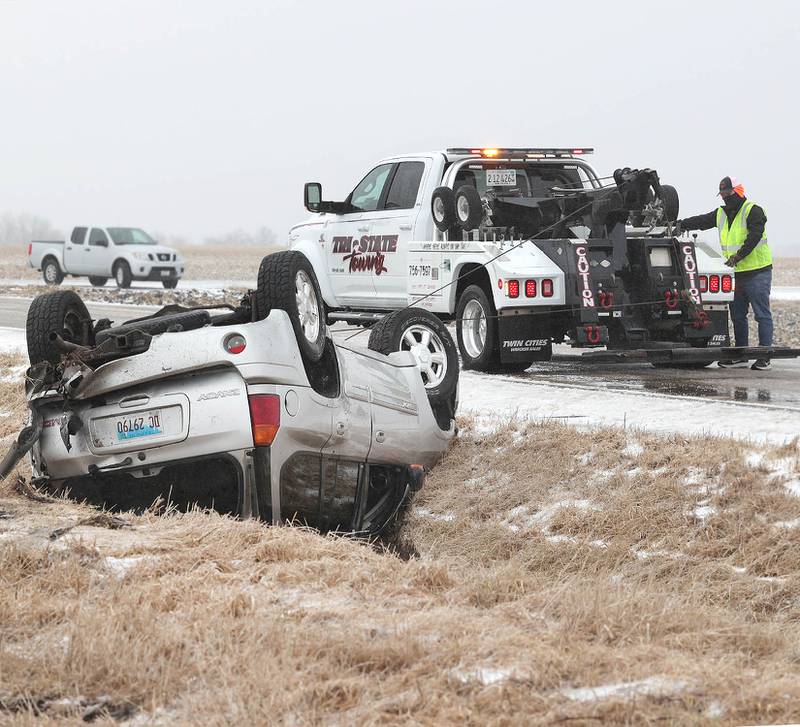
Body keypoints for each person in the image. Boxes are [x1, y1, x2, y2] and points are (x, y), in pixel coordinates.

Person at [678, 176, 773, 371]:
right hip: (736, 273)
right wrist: (681, 224)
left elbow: (754, 236)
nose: (724, 198)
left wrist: (739, 256)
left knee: (762, 315)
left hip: (757, 272)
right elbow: (702, 220)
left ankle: (765, 356)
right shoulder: (721, 213)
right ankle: (741, 355)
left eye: (727, 194)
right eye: (722, 194)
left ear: (738, 191)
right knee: (738, 315)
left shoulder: (753, 210)